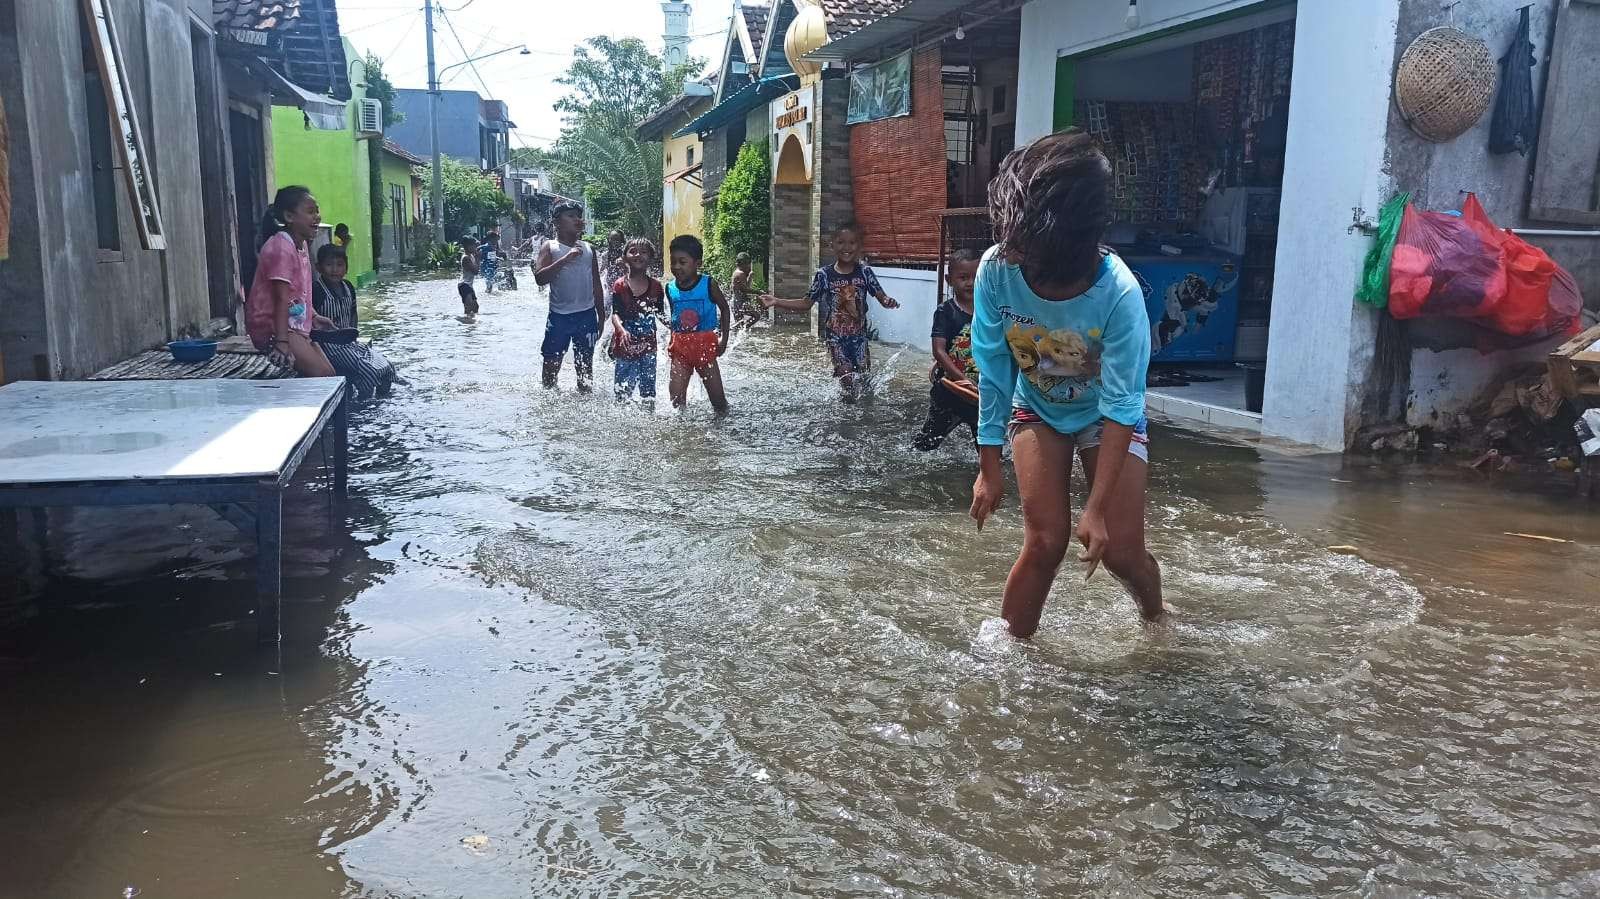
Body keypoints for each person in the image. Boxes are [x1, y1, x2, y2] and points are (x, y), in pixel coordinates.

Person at [967, 129, 1164, 638]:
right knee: (1045, 543)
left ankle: (1155, 615)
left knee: (1120, 552)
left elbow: (1123, 404)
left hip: (1106, 416)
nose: (1013, 253)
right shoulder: (997, 270)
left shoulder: (1118, 293)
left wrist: (1096, 509)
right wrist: (990, 467)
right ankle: (1006, 663)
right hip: (1038, 408)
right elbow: (993, 368)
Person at [761, 221, 900, 401]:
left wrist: (888, 301)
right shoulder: (824, 275)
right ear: (832, 245)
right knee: (846, 376)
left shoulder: (865, 273)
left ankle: (860, 416)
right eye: (841, 242)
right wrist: (776, 301)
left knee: (864, 382)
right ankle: (846, 415)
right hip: (836, 338)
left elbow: (881, 296)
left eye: (852, 242)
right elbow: (806, 303)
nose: (846, 247)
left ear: (858, 246)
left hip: (859, 338)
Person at [245, 186, 336, 377]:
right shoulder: (281, 248)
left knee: (329, 373)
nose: (317, 217)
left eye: (317, 211)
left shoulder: (300, 244)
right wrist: (281, 342)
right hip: (272, 328)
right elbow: (280, 298)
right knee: (322, 374)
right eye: (310, 212)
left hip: (291, 323)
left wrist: (313, 316)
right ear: (289, 216)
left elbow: (298, 292)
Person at [311, 243, 401, 400]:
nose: (334, 269)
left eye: (339, 265)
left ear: (346, 268)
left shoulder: (348, 287)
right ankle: (363, 403)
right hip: (329, 346)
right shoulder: (317, 290)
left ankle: (379, 402)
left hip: (350, 342)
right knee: (368, 370)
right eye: (329, 265)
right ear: (319, 268)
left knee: (387, 367)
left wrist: (354, 335)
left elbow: (353, 314)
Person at [914, 248, 982, 451]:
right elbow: (939, 351)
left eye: (975, 277)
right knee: (927, 444)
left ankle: (986, 478)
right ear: (949, 279)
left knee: (987, 447)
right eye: (963, 277)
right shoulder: (946, 311)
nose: (970, 283)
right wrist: (961, 378)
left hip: (979, 395)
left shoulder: (988, 310)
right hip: (950, 391)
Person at [535, 201, 605, 392]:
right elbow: (540, 278)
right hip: (559, 317)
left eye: (578, 216)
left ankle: (583, 412)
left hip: (586, 315)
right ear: (557, 223)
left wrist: (602, 316)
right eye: (571, 216)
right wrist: (566, 259)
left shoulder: (589, 249)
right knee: (550, 368)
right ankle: (549, 408)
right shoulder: (550, 247)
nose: (577, 219)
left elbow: (596, 285)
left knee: (585, 371)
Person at [665, 235, 731, 413]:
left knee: (718, 402)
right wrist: (671, 339)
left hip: (705, 348)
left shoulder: (708, 284)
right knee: (676, 402)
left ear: (697, 263)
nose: (676, 267)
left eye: (682, 262)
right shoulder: (669, 288)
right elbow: (674, 318)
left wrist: (723, 340)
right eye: (673, 262)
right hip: (680, 349)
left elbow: (725, 309)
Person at [609, 237, 666, 405]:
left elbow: (660, 314)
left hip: (649, 346)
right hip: (625, 345)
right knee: (622, 394)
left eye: (643, 252)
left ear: (650, 257)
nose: (638, 255)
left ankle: (648, 422)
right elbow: (615, 314)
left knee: (648, 393)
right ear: (625, 257)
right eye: (632, 251)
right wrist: (621, 329)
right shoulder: (619, 285)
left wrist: (674, 326)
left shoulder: (656, 286)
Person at [730, 252, 764, 331]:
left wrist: (750, 277)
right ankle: (732, 330)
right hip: (739, 303)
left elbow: (745, 288)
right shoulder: (740, 274)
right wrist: (758, 292)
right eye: (748, 264)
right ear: (744, 264)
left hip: (736, 302)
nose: (749, 266)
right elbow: (745, 290)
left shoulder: (737, 272)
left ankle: (740, 331)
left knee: (740, 323)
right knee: (756, 316)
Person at [458, 236, 480, 315]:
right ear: (468, 246)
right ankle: (466, 324)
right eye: (474, 245)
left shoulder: (471, 256)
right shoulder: (466, 258)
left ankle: (468, 322)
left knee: (475, 307)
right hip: (464, 285)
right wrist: (478, 258)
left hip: (469, 285)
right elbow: (475, 271)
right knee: (469, 306)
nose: (475, 247)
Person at [479, 229, 500, 294]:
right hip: (487, 267)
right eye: (496, 239)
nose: (496, 241)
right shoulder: (487, 247)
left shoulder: (491, 247)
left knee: (490, 283)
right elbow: (480, 252)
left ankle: (487, 294)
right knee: (489, 284)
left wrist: (498, 259)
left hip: (491, 267)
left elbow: (491, 257)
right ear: (490, 239)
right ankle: (487, 295)